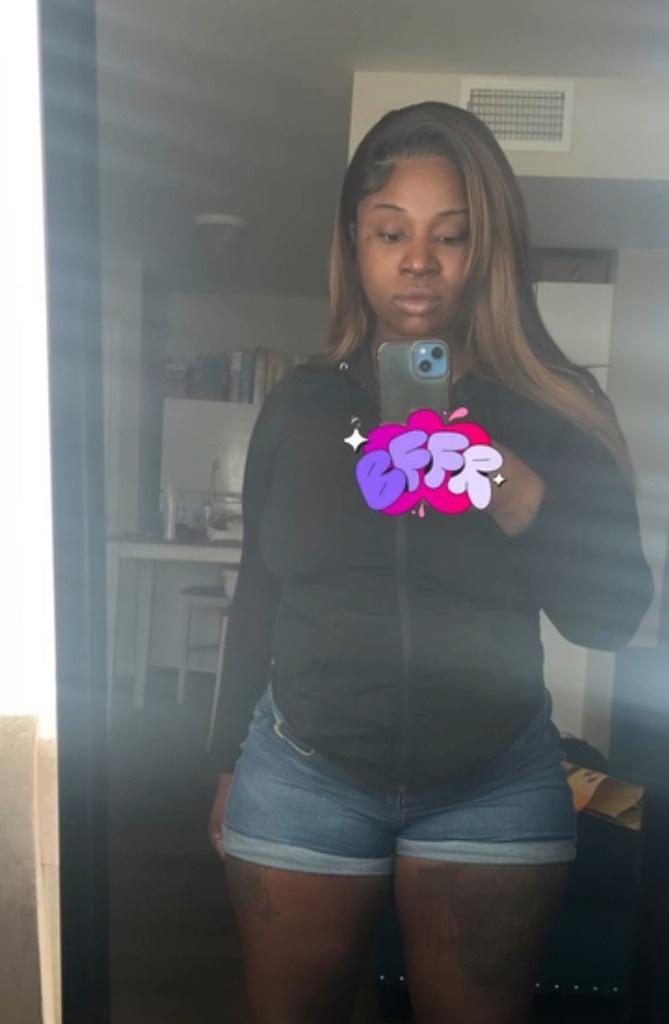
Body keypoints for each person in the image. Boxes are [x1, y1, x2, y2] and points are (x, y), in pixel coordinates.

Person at [207, 101, 653, 1023]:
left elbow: (609, 620)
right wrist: (225, 764)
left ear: (487, 249)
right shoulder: (299, 407)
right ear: (354, 243)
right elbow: (258, 592)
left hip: (494, 782)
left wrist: (516, 491)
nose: (418, 260)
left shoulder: (555, 408)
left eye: (449, 235)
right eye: (390, 232)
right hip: (302, 771)